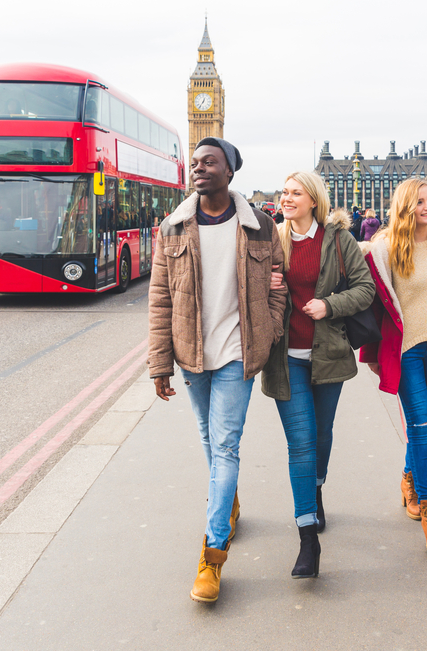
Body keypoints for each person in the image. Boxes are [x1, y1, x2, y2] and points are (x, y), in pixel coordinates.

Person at [148, 137, 287, 603]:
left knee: (225, 446)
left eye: (210, 162)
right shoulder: (172, 228)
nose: (199, 168)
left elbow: (277, 289)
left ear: (230, 172)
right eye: (196, 162)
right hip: (191, 355)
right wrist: (159, 363)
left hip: (237, 355)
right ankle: (227, 504)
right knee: (210, 439)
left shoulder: (261, 227)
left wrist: (269, 331)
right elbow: (160, 299)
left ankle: (212, 555)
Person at [261, 172, 375, 579]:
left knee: (322, 437)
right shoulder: (273, 239)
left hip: (327, 355)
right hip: (286, 357)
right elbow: (251, 290)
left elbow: (366, 289)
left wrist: (329, 305)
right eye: (284, 192)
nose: (286, 198)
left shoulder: (339, 240)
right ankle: (308, 539)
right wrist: (265, 283)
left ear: (314, 200)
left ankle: (317, 487)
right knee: (301, 445)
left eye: (295, 193)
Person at [358, 178, 427, 556]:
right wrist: (371, 354)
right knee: (421, 424)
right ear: (405, 206)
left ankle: (408, 477)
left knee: (425, 421)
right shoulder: (384, 248)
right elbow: (369, 298)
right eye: (420, 201)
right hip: (405, 349)